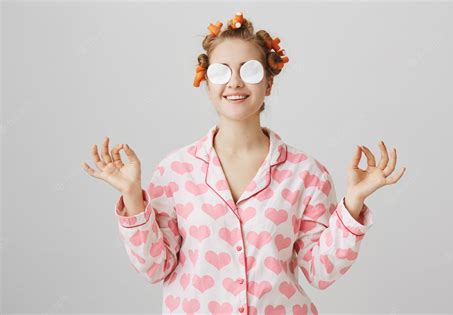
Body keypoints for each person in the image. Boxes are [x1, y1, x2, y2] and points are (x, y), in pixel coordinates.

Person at [81, 11, 406, 315]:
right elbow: (155, 268)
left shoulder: (306, 174)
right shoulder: (174, 172)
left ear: (268, 82)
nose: (234, 82)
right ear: (207, 82)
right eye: (222, 72)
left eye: (248, 70)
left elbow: (320, 273)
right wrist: (133, 197)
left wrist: (353, 204)